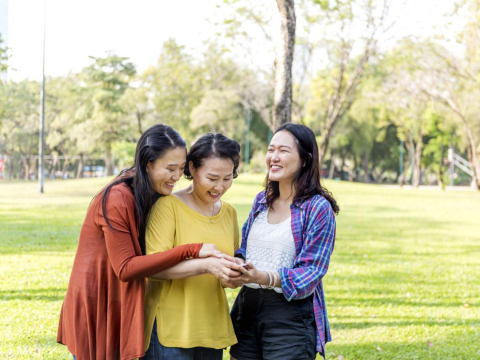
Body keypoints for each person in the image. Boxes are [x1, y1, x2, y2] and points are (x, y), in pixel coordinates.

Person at [57, 124, 232, 360]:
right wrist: (193, 250)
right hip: (99, 298)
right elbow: (126, 268)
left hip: (125, 297)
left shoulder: (155, 194)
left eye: (181, 168)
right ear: (148, 164)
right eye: (170, 168)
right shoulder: (117, 199)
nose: (177, 176)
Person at [227, 123, 339, 360]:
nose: (273, 158)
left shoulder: (318, 208)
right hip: (247, 308)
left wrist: (264, 277)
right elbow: (245, 248)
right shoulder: (261, 200)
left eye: (283, 151)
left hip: (289, 313)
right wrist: (237, 265)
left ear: (306, 159)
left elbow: (312, 271)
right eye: (271, 149)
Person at [143, 133, 243, 360]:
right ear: (192, 168)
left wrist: (233, 272)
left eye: (227, 178)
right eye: (212, 177)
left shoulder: (229, 213)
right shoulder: (168, 206)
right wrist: (206, 266)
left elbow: (225, 265)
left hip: (211, 328)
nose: (220, 187)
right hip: (171, 330)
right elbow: (153, 268)